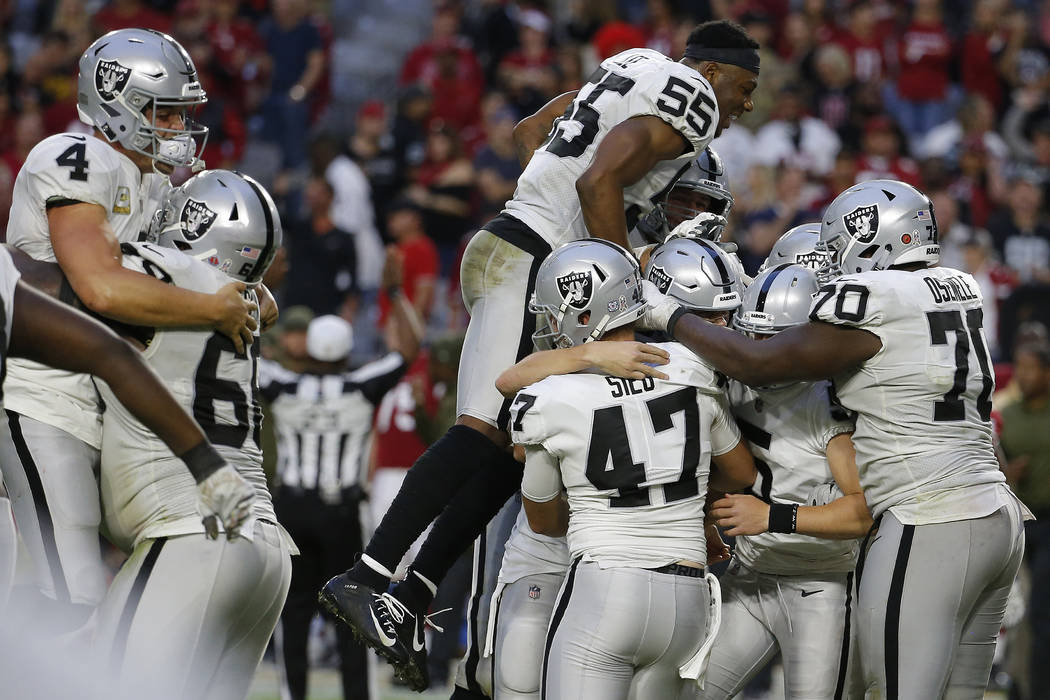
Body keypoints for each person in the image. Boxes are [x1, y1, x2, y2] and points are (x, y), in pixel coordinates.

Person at [321, 22, 760, 690]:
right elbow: (598, 183)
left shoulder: (634, 63)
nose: (746, 104)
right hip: (535, 253)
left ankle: (408, 597)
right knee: (479, 431)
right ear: (709, 68)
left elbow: (533, 131)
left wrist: (556, 211)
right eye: (745, 86)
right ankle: (369, 575)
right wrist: (625, 295)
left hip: (523, 242)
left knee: (510, 446)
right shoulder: (691, 95)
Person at [646, 179, 1032, 698]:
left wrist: (670, 314)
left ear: (870, 236)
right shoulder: (959, 285)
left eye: (836, 247)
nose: (832, 263)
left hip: (929, 513)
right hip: (997, 512)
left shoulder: (877, 295)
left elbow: (759, 363)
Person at [0, 28, 258, 624]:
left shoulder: (146, 183)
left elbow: (207, 274)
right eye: (164, 112)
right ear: (118, 102)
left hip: (100, 401)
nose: (177, 128)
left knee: (71, 586)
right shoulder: (78, 158)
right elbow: (101, 285)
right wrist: (215, 308)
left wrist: (248, 295)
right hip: (42, 394)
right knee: (71, 591)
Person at [476, 237, 745, 700]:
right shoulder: (691, 366)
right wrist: (680, 491)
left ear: (584, 313)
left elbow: (544, 522)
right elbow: (738, 472)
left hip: (607, 589)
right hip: (688, 596)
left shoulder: (552, 396)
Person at [89, 170, 290, 700]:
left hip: (194, 534)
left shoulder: (163, 274)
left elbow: (85, 282)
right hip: (263, 548)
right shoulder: (239, 296)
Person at [700, 263, 872, 700]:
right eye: (751, 335)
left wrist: (773, 517)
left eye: (771, 338)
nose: (757, 350)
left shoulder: (827, 400)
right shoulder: (733, 380)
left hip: (821, 584)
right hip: (750, 572)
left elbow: (862, 512)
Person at [262, 254, 422, 700]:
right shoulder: (362, 387)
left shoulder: (282, 385)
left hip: (291, 508)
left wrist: (257, 283)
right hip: (342, 511)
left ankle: (294, 695)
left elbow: (244, 349)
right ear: (347, 348)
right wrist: (394, 293)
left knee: (293, 615)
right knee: (353, 614)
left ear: (309, 346)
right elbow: (409, 350)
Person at [998, 341, 1050, 699]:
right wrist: (1005, 470)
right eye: (1019, 367)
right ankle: (1017, 683)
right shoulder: (1007, 413)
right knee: (1015, 613)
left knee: (1042, 613)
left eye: (1032, 368)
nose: (1023, 375)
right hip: (1020, 522)